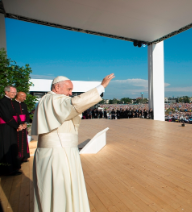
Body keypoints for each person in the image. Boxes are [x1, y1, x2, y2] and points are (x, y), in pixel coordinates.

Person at [32, 74, 115, 212]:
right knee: (60, 189)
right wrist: (102, 86)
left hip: (61, 151)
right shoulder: (53, 99)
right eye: (69, 89)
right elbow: (76, 103)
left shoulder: (48, 100)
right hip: (58, 154)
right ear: (57, 87)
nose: (71, 93)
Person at [0, 86, 25, 176]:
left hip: (11, 127)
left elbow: (15, 115)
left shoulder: (10, 101)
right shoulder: (2, 102)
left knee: (13, 148)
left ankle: (13, 168)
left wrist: (19, 124)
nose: (14, 94)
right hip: (6, 128)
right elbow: (7, 116)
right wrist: (16, 126)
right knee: (7, 148)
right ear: (6, 92)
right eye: (12, 92)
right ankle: (7, 170)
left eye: (15, 92)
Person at [12, 92, 30, 163]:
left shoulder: (24, 105)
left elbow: (27, 115)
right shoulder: (12, 104)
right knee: (17, 141)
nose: (25, 99)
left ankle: (24, 156)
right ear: (19, 96)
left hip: (24, 126)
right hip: (17, 126)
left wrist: (25, 123)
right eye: (23, 97)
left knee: (24, 141)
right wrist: (19, 125)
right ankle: (17, 157)